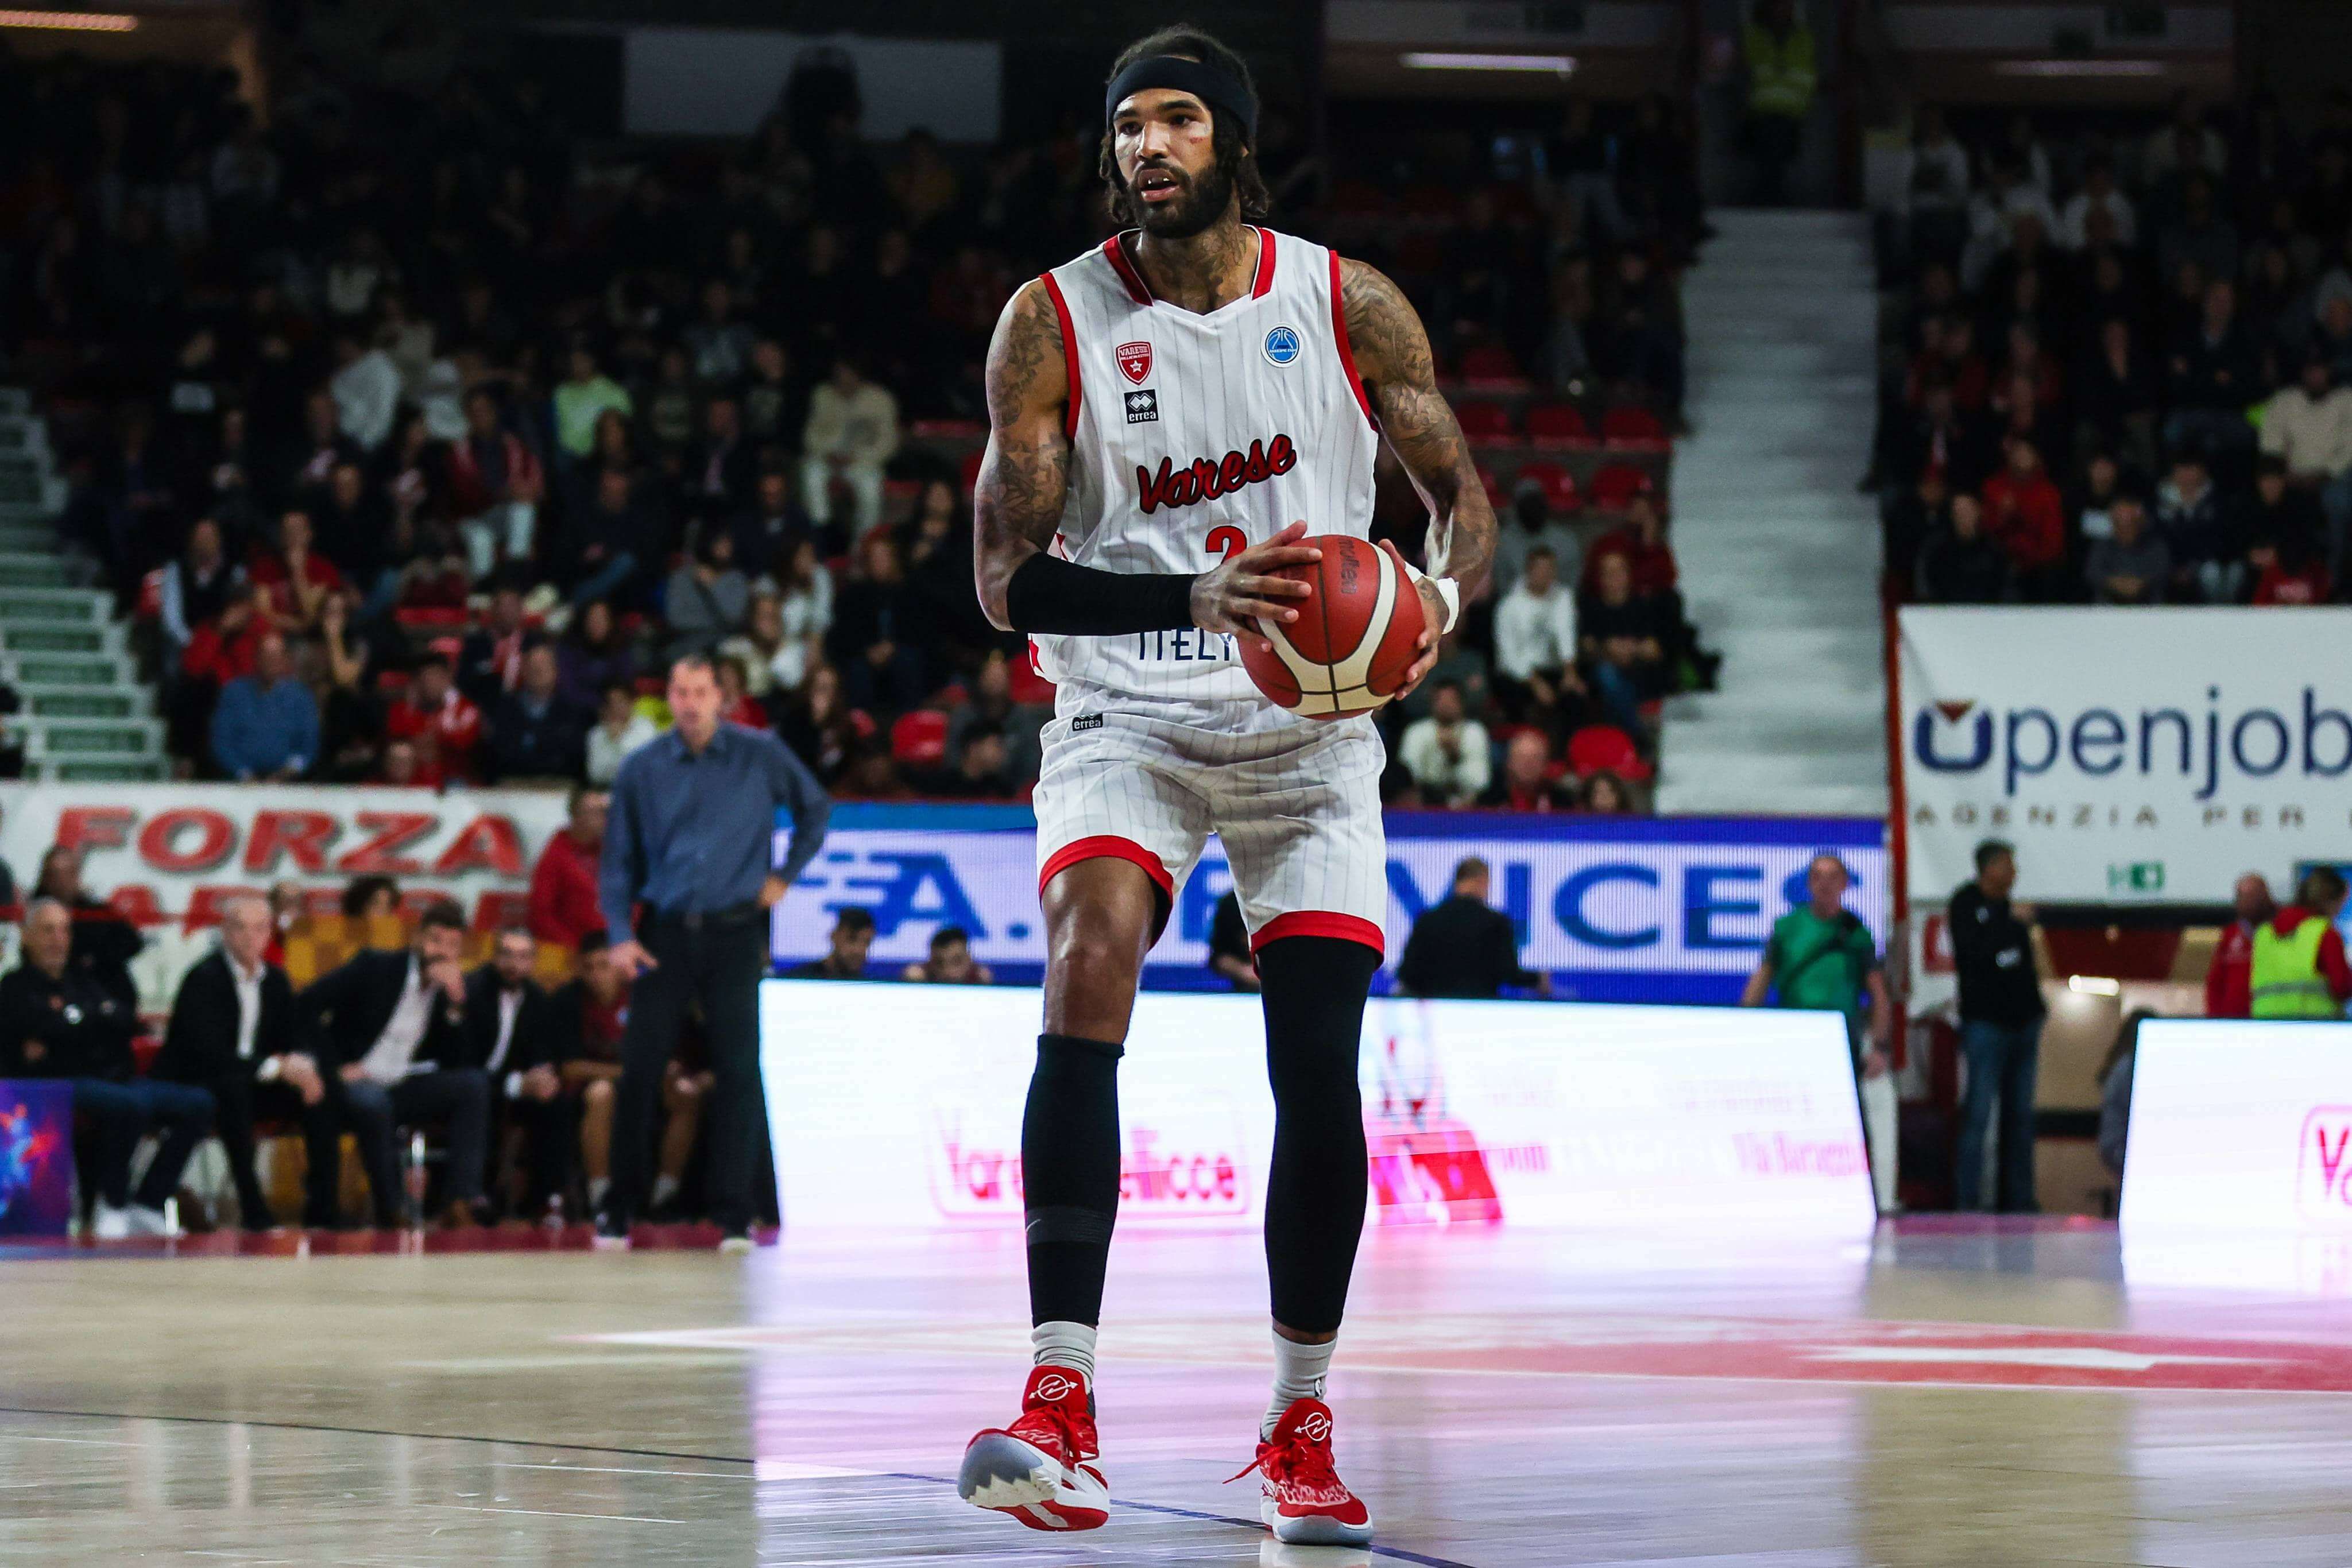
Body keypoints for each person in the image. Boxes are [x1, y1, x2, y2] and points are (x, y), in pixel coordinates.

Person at [956, 30, 1494, 1543]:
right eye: (1128, 124)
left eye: (1178, 118)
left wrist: (1436, 604)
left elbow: (1460, 501)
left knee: (1316, 1061)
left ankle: (1298, 1421)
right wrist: (1188, 599)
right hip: (1126, 709)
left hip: (1308, 733)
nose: (1147, 144)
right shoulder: (1049, 323)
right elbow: (1004, 585)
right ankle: (1059, 1403)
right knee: (1088, 957)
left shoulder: (1344, 301)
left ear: (1234, 143)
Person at [596, 654, 833, 1250]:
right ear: (669, 698)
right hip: (665, 932)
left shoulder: (760, 753)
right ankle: (619, 1207)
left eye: (701, 691)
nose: (691, 703)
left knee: (739, 1070)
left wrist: (784, 876)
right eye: (680, 692)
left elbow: (815, 809)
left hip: (734, 931)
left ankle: (734, 1212)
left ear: (720, 697)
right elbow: (617, 859)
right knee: (640, 1069)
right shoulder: (642, 767)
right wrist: (620, 934)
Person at [1, 900, 215, 1238]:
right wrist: (91, 1020)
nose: (58, 940)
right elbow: (40, 1035)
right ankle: (111, 1203)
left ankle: (149, 1203)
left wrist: (74, 1023)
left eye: (64, 930)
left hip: (112, 1077)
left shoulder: (83, 979)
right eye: (47, 931)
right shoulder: (14, 987)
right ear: (26, 936)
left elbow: (124, 1019)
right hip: (56, 1084)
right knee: (130, 1104)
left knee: (199, 1103)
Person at [298, 900, 493, 1228]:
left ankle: (460, 1199)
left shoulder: (454, 990)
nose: (441, 952)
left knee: (474, 1084)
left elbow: (457, 1061)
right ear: (417, 938)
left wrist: (456, 1007)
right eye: (434, 940)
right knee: (374, 1102)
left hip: (403, 1084)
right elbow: (305, 1007)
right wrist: (331, 1068)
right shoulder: (376, 967)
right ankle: (393, 1209)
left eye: (452, 945)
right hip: (354, 1081)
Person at [152, 895, 332, 1231]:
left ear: (269, 934)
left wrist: (303, 1065)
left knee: (320, 1093)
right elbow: (208, 1054)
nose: (251, 937)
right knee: (233, 1091)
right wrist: (277, 1067)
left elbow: (295, 1035)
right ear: (225, 932)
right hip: (202, 1081)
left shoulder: (275, 980)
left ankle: (324, 1212)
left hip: (254, 1081)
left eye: (260, 929)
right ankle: (255, 1212)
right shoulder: (204, 978)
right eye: (241, 928)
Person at [1741, 854, 1897, 1210]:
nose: (1825, 884)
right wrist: (1743, 1025)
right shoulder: (1787, 928)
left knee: (1848, 1118)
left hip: (1841, 1037)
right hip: (1795, 1035)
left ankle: (1854, 1193)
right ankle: (1789, 1190)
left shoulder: (1855, 931)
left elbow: (1879, 993)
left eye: (1833, 877)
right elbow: (1762, 978)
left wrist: (1880, 1045)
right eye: (1817, 877)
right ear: (1809, 883)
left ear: (1845, 883)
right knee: (1791, 1116)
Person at [1948, 839, 2044, 1213]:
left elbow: (2020, 963)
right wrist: (2008, 923)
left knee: (2020, 1116)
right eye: (2008, 864)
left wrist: (2037, 1010)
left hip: (2023, 1022)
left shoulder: (2010, 910)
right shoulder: (1966, 904)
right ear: (1989, 868)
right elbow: (1977, 954)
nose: (2014, 871)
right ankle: (1967, 1200)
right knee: (1978, 1113)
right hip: (1985, 1025)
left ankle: (2019, 1199)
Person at [458, 927, 566, 1218]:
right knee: (478, 1094)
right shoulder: (471, 990)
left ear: (533, 961)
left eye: (523, 957)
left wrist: (541, 1075)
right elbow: (463, 1060)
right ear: (493, 956)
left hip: (509, 1088)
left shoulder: (536, 997)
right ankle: (475, 1198)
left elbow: (541, 1051)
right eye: (506, 955)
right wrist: (517, 1084)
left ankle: (545, 1201)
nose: (514, 965)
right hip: (469, 1085)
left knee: (554, 1102)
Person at [1395, 858, 1546, 1000]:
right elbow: (1508, 973)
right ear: (1482, 881)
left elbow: (1408, 973)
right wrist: (1538, 979)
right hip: (1480, 1011)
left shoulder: (1428, 920)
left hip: (1436, 1011)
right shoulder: (1496, 923)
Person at [210, 633, 320, 781]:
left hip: (289, 783)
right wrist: (244, 774)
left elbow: (309, 745)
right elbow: (222, 742)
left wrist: (286, 774)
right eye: (266, 655)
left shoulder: (301, 697)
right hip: (239, 782)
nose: (271, 661)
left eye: (276, 656)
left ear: (285, 659)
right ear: (256, 658)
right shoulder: (234, 693)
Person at [2249, 867, 2352, 1019]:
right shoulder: (2324, 934)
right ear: (2331, 902)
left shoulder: (2263, 934)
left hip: (2265, 1023)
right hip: (2313, 1023)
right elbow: (2342, 987)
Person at [1740, 0, 1815, 205]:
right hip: (1760, 113)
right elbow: (1744, 71)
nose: (1782, 9)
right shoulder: (1753, 36)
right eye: (1778, 4)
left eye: (1786, 5)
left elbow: (1808, 72)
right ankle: (1770, 197)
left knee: (1778, 145)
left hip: (1792, 114)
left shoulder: (1803, 38)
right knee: (1769, 145)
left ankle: (1771, 196)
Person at [529, 786, 609, 949]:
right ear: (577, 816)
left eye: (606, 812)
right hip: (573, 951)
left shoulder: (609, 851)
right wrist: (576, 949)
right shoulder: (557, 855)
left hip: (613, 948)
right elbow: (540, 914)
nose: (606, 818)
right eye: (598, 812)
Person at [1396, 680, 1491, 807]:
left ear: (1462, 703)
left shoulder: (1475, 731)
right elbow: (1407, 776)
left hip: (1467, 803)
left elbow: (1480, 780)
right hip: (1424, 802)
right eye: (1440, 700)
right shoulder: (1416, 731)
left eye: (1451, 700)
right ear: (1432, 703)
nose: (1446, 705)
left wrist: (1455, 757)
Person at [2204, 872, 2274, 1019]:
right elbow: (2215, 983)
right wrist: (2216, 1018)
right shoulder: (2231, 935)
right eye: (2243, 897)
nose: (2249, 903)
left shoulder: (2279, 932)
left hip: (2269, 1017)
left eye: (2254, 897)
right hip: (2233, 1021)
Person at [792, 908, 876, 979]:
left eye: (867, 942)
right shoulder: (798, 980)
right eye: (852, 939)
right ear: (834, 936)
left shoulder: (870, 987)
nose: (859, 950)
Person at [902, 926, 994, 985]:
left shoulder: (980, 978)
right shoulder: (919, 976)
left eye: (957, 962)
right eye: (939, 963)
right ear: (931, 962)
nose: (948, 972)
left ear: (969, 959)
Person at [1206, 888, 1258, 990]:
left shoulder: (1286, 902)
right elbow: (1219, 956)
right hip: (1242, 991)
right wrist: (1243, 972)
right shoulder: (1231, 903)